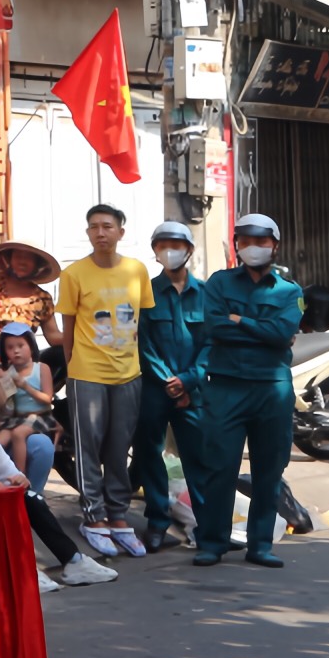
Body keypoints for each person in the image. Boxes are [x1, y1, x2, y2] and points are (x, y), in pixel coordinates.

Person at [191, 213, 304, 568]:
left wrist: (241, 320)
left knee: (269, 469)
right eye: (246, 241)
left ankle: (260, 544)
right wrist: (262, 328)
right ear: (237, 246)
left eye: (261, 241)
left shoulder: (290, 291)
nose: (253, 248)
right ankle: (212, 542)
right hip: (225, 387)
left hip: (272, 388)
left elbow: (282, 333)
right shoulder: (219, 283)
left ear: (275, 245)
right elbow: (214, 327)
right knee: (219, 467)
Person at [55, 203, 153, 558]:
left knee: (118, 448)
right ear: (88, 233)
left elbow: (143, 323)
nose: (101, 233)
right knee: (89, 448)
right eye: (94, 227)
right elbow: (67, 329)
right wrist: (71, 367)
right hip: (87, 374)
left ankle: (118, 516)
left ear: (120, 232)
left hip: (129, 374)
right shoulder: (74, 274)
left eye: (107, 226)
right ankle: (93, 517)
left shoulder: (136, 270)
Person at [0, 393, 116, 591]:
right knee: (20, 499)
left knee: (29, 497)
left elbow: (18, 480)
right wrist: (13, 486)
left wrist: (20, 481)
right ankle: (34, 566)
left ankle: (73, 560)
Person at [131, 219, 209, 553]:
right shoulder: (145, 292)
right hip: (154, 387)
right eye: (162, 246)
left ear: (189, 251)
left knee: (199, 457)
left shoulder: (206, 294)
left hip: (194, 387)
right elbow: (142, 341)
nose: (169, 252)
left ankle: (206, 525)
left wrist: (189, 379)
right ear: (155, 252)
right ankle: (158, 522)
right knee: (150, 454)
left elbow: (213, 344)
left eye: (176, 246)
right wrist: (168, 380)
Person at [0, 324, 59, 494]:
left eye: (20, 346)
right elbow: (7, 404)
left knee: (18, 434)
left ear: (31, 346)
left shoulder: (41, 368)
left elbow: (47, 399)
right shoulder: (8, 372)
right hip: (16, 417)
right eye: (10, 347)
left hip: (39, 415)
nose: (16, 351)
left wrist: (25, 386)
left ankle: (19, 476)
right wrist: (0, 383)